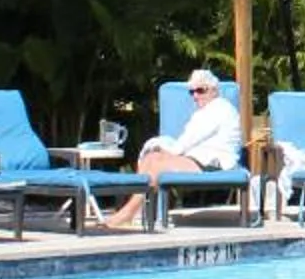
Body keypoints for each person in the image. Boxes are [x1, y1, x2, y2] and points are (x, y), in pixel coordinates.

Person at [103, 68, 241, 230]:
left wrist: (166, 150)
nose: (196, 96)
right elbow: (185, 143)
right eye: (192, 92)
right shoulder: (204, 111)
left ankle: (129, 213)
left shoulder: (219, 109)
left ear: (214, 90)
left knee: (157, 165)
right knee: (151, 158)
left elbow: (186, 142)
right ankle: (138, 211)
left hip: (215, 164)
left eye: (200, 90)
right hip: (197, 158)